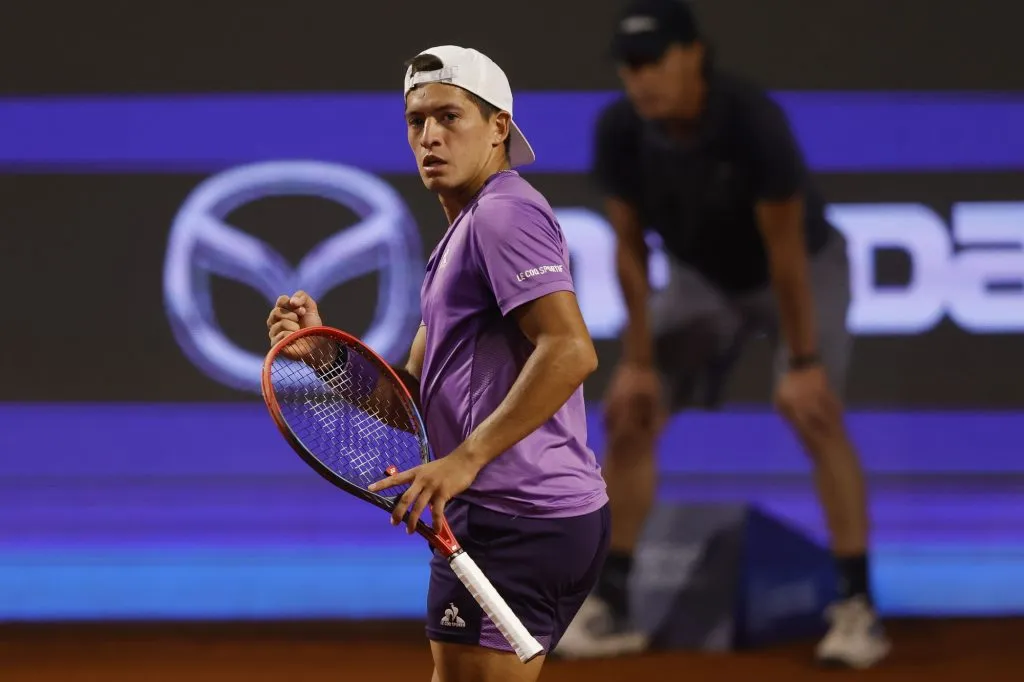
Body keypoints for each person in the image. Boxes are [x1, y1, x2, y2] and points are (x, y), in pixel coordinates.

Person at [553, 0, 891, 669]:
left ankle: (858, 607)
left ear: (693, 55)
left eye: (653, 62)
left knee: (813, 411)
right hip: (700, 276)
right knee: (631, 413)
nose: (641, 78)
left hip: (797, 269)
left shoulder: (750, 120)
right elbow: (628, 251)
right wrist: (641, 363)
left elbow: (787, 251)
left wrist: (803, 361)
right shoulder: (620, 129)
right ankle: (611, 603)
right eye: (629, 65)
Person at [267, 45, 611, 682]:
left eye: (450, 117)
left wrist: (466, 459)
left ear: (499, 127)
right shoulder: (464, 231)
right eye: (416, 120)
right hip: (500, 512)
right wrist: (326, 357)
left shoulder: (505, 214)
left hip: (518, 515)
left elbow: (569, 349)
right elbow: (414, 393)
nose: (429, 136)